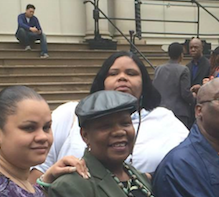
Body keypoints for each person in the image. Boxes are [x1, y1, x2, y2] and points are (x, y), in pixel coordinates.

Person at [38, 52, 188, 175]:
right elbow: (38, 170)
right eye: (113, 73)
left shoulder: (166, 120)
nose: (122, 77)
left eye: (131, 73)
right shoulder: (70, 114)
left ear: (144, 84)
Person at [153, 42, 195, 127]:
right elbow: (185, 93)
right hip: (178, 113)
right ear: (181, 55)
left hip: (160, 111)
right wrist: (193, 98)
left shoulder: (158, 69)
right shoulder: (184, 70)